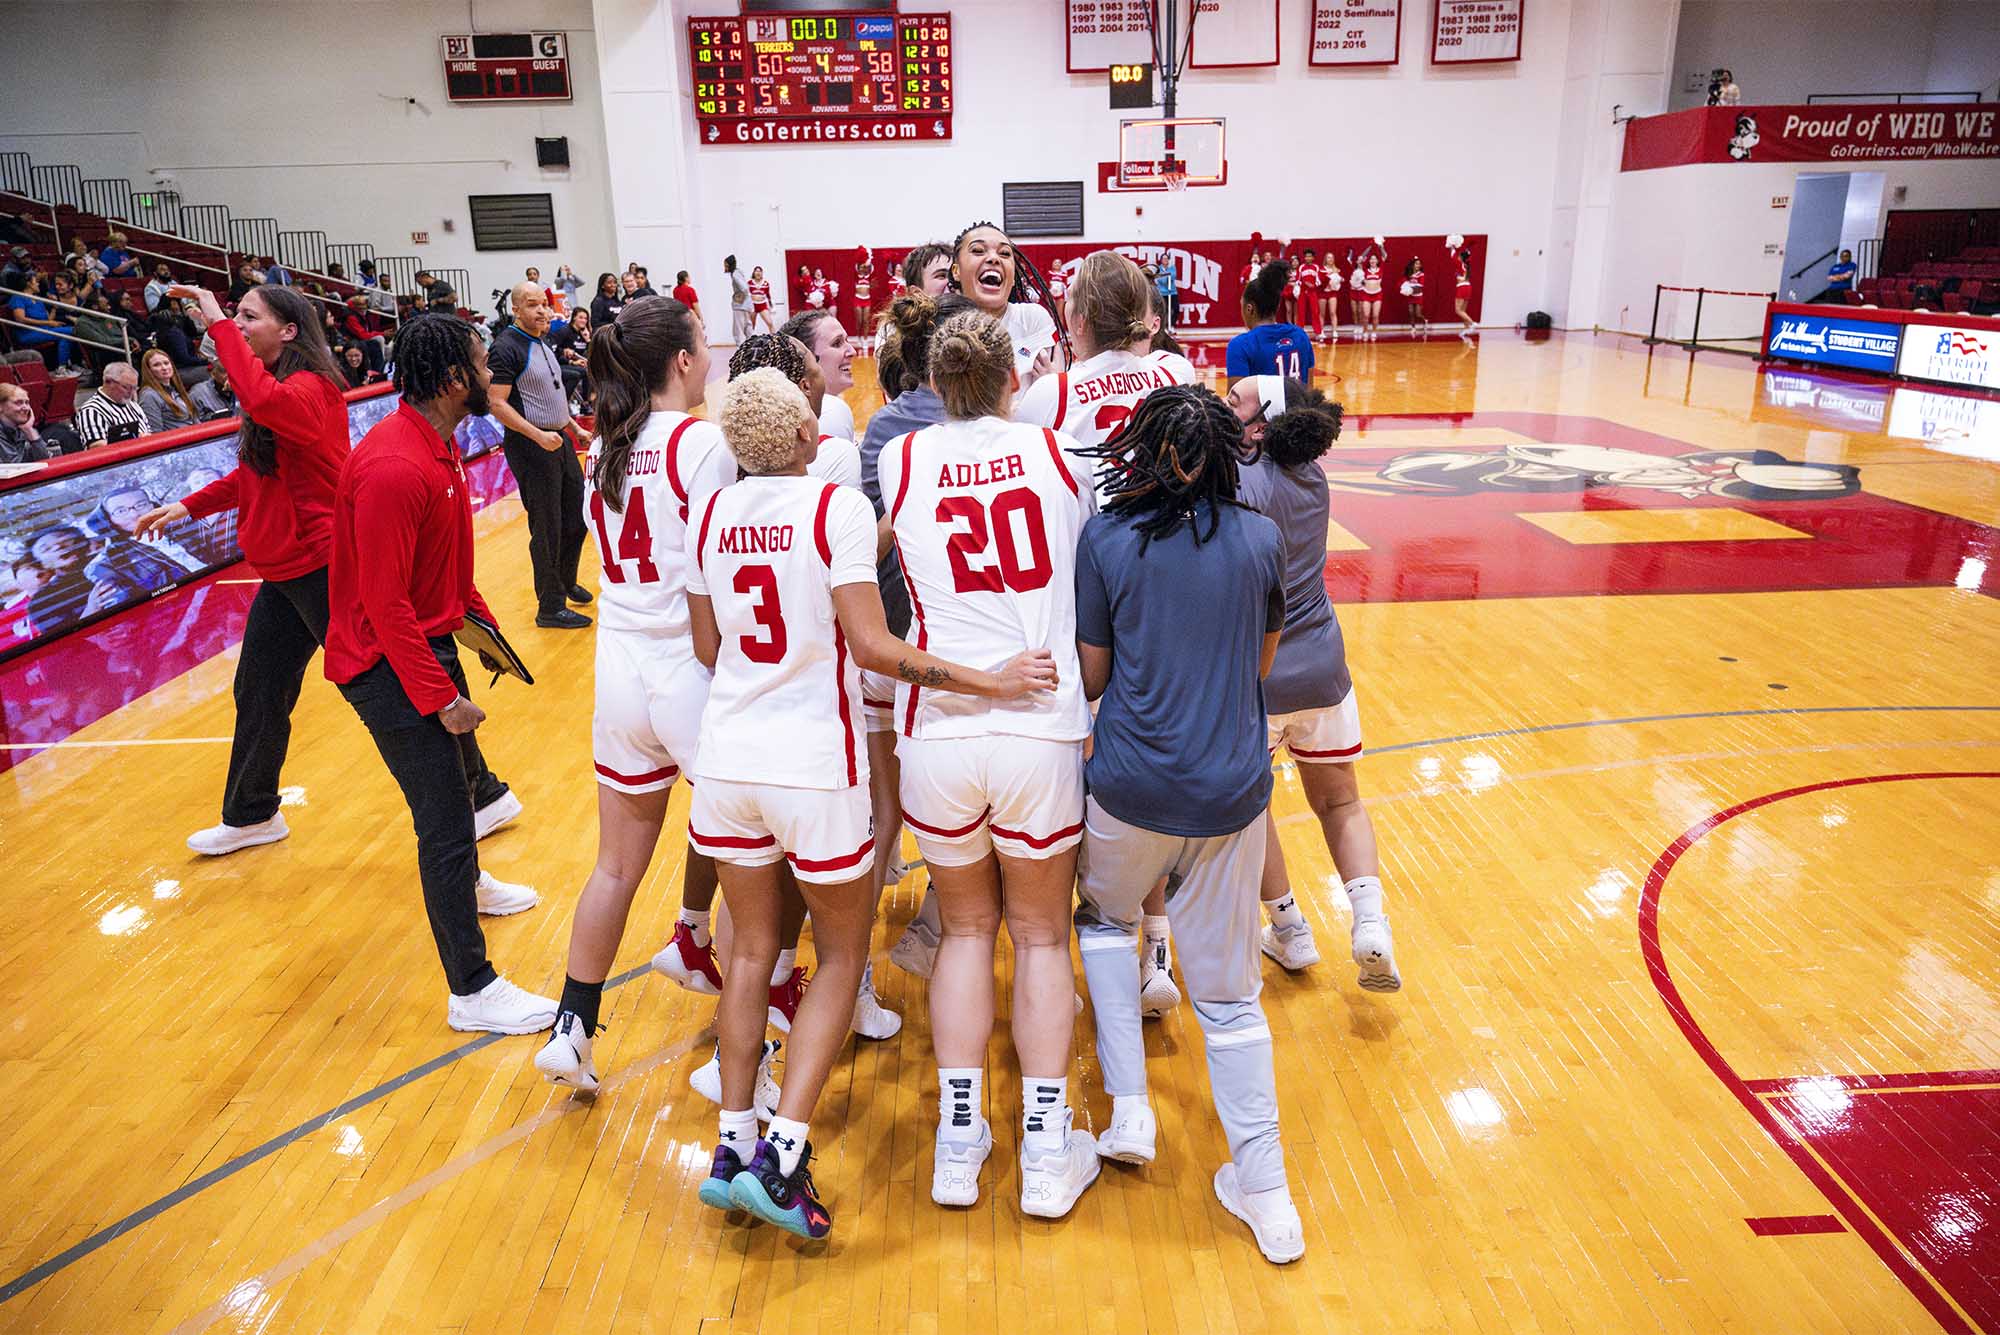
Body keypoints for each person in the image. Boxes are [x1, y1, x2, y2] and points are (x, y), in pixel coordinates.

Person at [685, 367, 1054, 1240]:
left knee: (750, 958)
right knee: (843, 955)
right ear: (814, 436)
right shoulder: (833, 508)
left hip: (728, 756)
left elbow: (708, 644)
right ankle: (784, 1159)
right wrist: (987, 681)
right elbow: (877, 646)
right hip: (813, 762)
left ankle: (731, 1147)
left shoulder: (709, 514)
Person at [1070, 383, 1305, 1266]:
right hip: (1232, 792)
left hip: (1131, 786)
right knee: (1232, 999)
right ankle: (1269, 1194)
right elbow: (1260, 661)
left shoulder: (1106, 537)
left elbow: (1094, 678)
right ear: (1226, 453)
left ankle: (1129, 1106)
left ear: (1141, 452)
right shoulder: (1261, 538)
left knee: (1103, 919)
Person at [876, 310, 1103, 1216]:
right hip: (1039, 719)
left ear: (936, 382)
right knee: (1043, 936)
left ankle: (958, 1140)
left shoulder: (897, 461)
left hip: (941, 724)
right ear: (1015, 375)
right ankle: (1046, 1151)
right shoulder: (1059, 457)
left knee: (967, 931)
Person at [323, 313, 555, 1034]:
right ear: (455, 380)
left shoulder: (438, 444)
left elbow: (443, 567)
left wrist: (481, 632)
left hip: (424, 643)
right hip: (382, 662)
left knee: (463, 795)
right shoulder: (395, 466)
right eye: (483, 365)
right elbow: (384, 603)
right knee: (447, 821)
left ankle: (473, 886)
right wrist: (440, 697)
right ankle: (472, 988)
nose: (491, 375)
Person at [535, 294, 736, 1096]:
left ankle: (571, 1028)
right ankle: (744, 1037)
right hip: (690, 667)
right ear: (683, 361)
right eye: (703, 342)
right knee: (755, 852)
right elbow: (715, 571)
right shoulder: (701, 443)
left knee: (615, 866)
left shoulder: (605, 449)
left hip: (619, 670)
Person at [1226, 374, 1402, 992]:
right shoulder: (1314, 478)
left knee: (1253, 809)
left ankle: (1291, 928)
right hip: (1324, 664)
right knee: (1343, 801)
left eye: (1235, 401)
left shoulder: (1238, 480)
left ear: (1263, 424)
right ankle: (1371, 924)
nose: (1223, 405)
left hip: (1260, 671)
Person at [1015, 250, 1195, 489]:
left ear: (1080, 321)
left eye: (1069, 297)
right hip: (1159, 512)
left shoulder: (1051, 393)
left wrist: (1058, 384)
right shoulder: (1175, 369)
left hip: (1091, 522)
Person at [489, 282, 591, 629]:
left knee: (577, 517)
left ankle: (565, 581)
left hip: (557, 440)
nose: (542, 311)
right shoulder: (506, 348)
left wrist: (572, 428)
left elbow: (551, 393)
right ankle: (550, 606)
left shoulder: (541, 340)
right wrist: (537, 434)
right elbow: (496, 403)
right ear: (516, 309)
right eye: (533, 305)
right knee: (546, 527)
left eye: (545, 304)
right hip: (531, 446)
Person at [951, 221, 1062, 384]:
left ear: (1012, 278)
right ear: (956, 271)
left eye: (1004, 253)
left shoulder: (1032, 318)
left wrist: (1054, 386)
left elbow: (1057, 391)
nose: (993, 258)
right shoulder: (942, 327)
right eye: (978, 250)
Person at [1226, 263, 1314, 384]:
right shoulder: (1301, 336)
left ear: (1249, 309)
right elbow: (1310, 393)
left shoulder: (1241, 345)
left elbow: (1235, 401)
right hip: (1300, 403)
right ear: (1278, 306)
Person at [779, 309, 857, 442]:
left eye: (847, 340)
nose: (852, 351)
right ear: (807, 358)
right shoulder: (831, 412)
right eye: (837, 343)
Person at [7, 274, 79, 372]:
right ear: (28, 284)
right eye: (35, 281)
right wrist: (48, 323)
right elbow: (20, 319)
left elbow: (48, 319)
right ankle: (66, 367)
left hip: (44, 329)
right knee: (71, 330)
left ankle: (62, 368)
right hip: (28, 333)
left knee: (65, 336)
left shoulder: (38, 299)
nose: (38, 283)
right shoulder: (18, 297)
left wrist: (54, 307)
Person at [74, 362, 149, 447]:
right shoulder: (91, 411)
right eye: (126, 387)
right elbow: (96, 446)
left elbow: (149, 432)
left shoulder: (134, 406)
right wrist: (136, 441)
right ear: (108, 382)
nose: (131, 393)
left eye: (134, 388)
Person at [138, 348, 201, 434]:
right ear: (149, 371)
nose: (164, 367)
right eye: (157, 365)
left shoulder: (176, 389)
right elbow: (155, 433)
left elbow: (195, 420)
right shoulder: (149, 395)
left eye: (166, 363)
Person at [0, 383, 52, 464]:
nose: (26, 408)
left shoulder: (21, 428)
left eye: (27, 403)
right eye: (18, 402)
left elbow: (46, 462)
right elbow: (15, 468)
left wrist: (30, 431)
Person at [724, 255, 753, 342]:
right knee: (748, 327)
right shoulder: (738, 272)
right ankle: (752, 346)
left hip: (740, 306)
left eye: (726, 265)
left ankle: (740, 349)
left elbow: (744, 288)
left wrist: (737, 297)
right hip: (746, 305)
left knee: (738, 329)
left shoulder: (735, 275)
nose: (725, 267)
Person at [1402, 258, 1429, 336]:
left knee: (1418, 313)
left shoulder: (1421, 274)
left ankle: (1424, 320)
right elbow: (1405, 282)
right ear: (1413, 265)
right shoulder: (1409, 274)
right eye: (1416, 263)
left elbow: (1420, 287)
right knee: (1411, 312)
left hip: (1418, 296)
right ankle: (1413, 328)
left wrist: (1410, 289)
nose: (1418, 265)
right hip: (1411, 296)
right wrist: (1405, 288)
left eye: (1419, 264)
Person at [746, 265, 776, 333]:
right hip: (753, 306)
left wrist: (772, 306)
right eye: (756, 271)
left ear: (762, 273)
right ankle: (748, 341)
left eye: (760, 271)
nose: (758, 273)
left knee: (770, 323)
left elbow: (768, 295)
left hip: (762, 305)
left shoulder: (765, 284)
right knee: (751, 325)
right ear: (754, 273)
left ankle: (775, 339)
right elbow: (746, 294)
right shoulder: (749, 283)